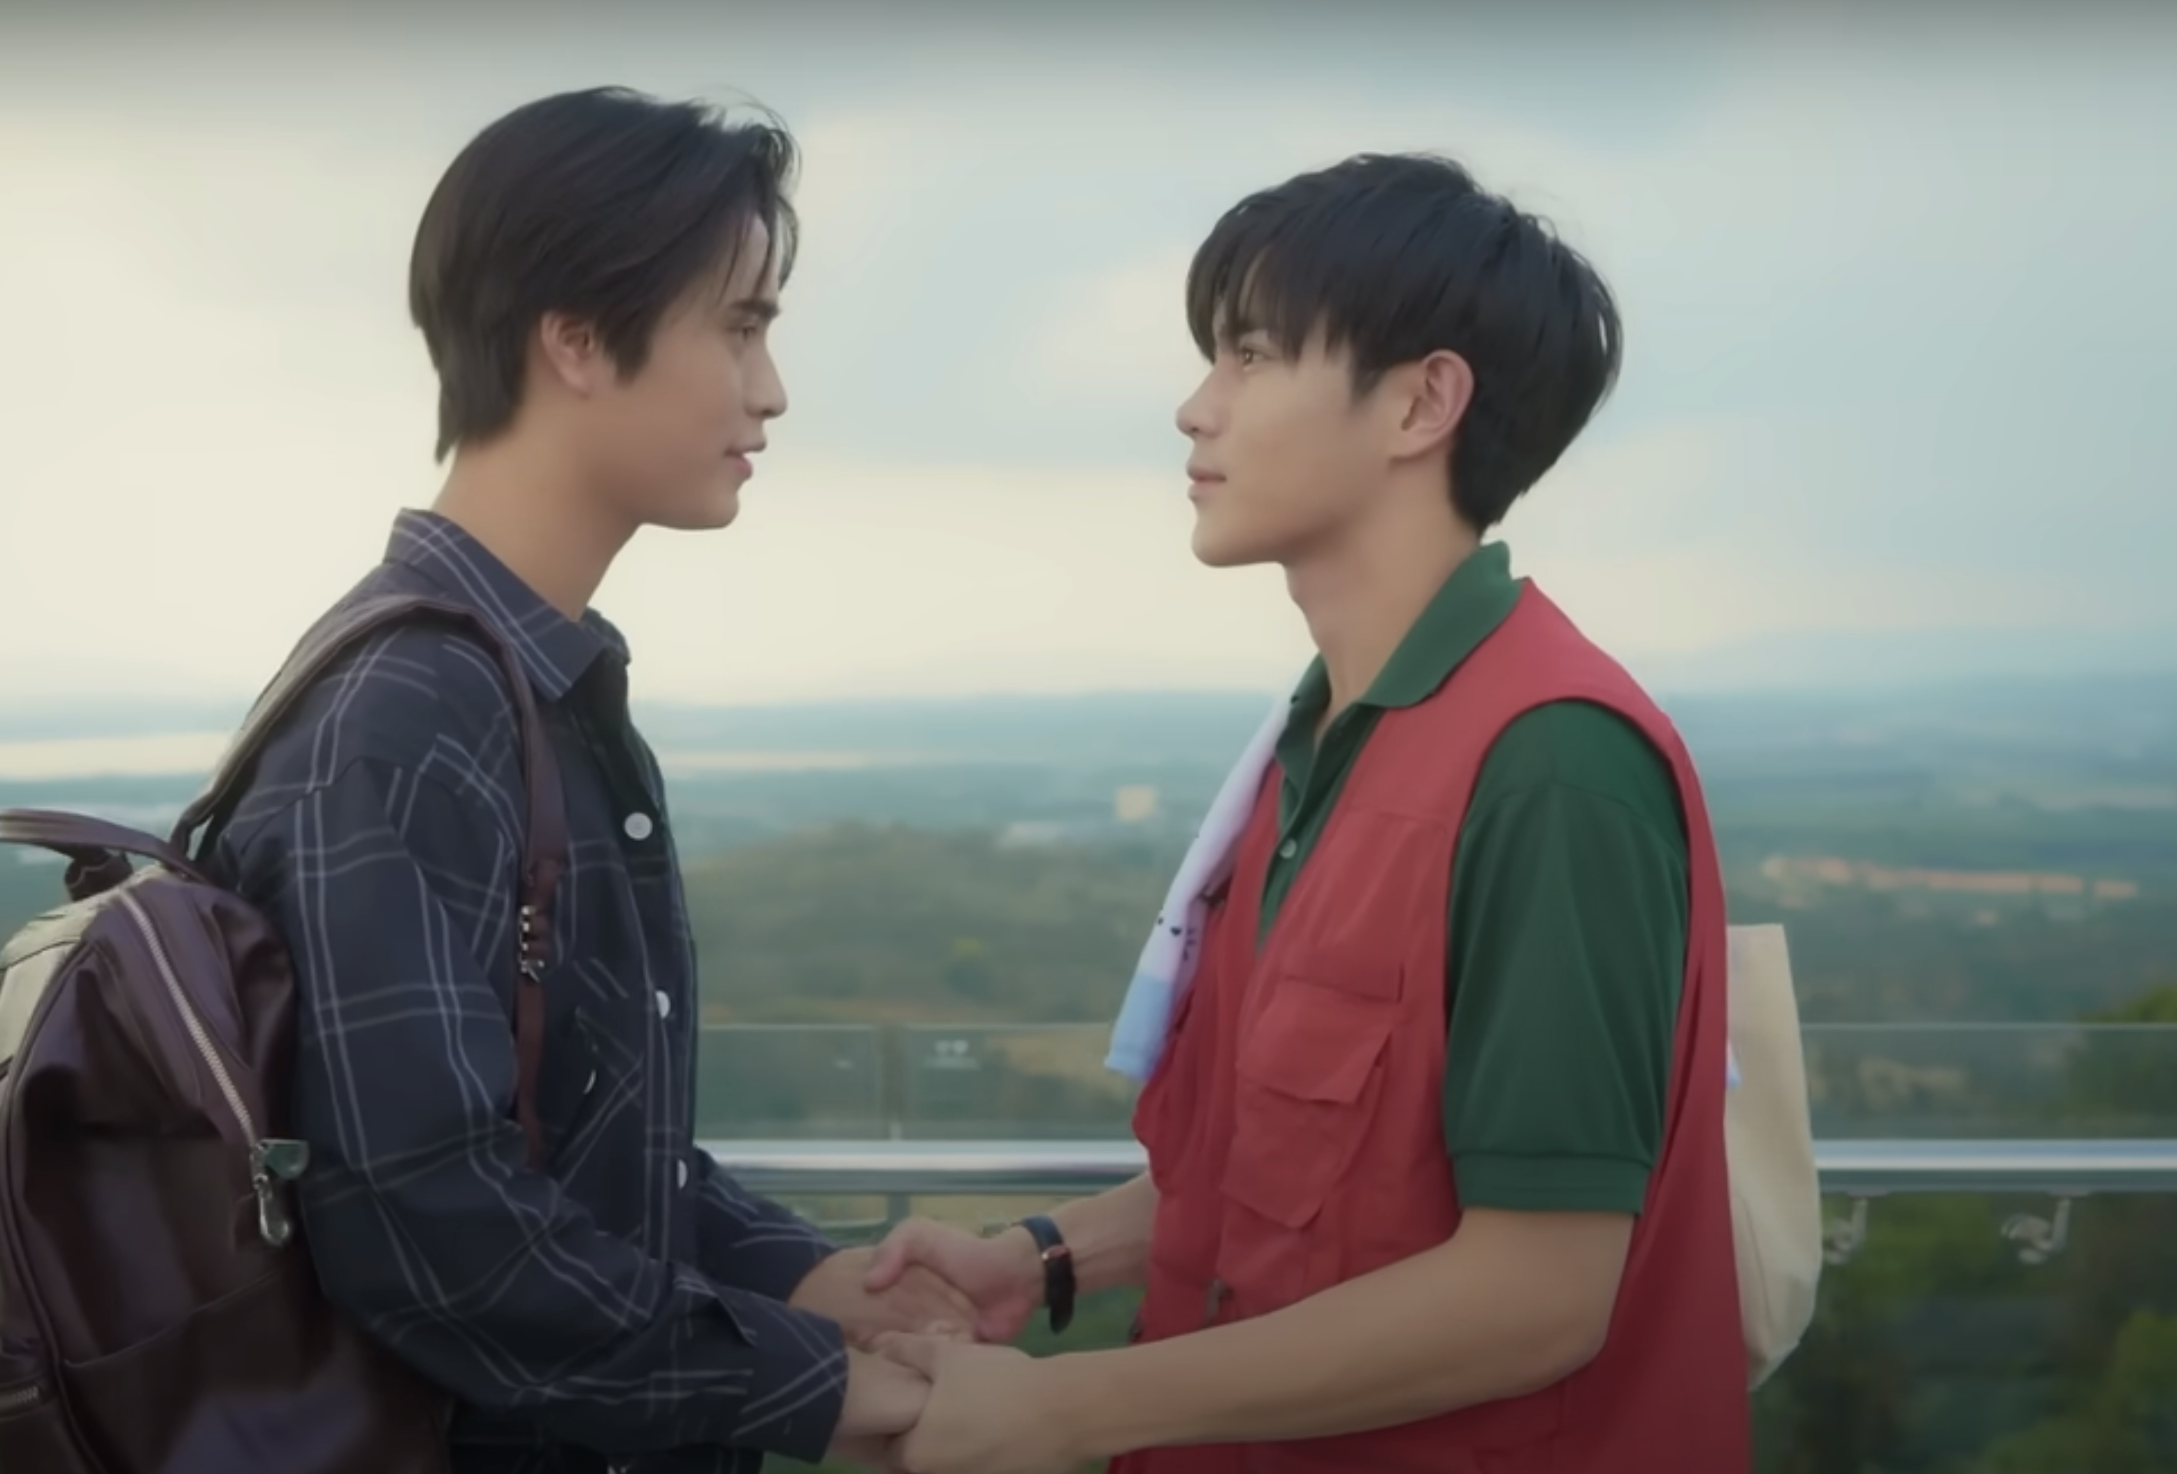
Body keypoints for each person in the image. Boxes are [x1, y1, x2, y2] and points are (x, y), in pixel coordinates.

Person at [859, 152, 1751, 1473]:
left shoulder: (1552, 761)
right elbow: (1299, 1177)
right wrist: (1038, 1260)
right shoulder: (1317, 744)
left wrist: (1068, 1406)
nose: (1193, 408)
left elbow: (1541, 1288)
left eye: (1252, 356)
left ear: (1421, 402)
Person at [206, 88, 971, 1474]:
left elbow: (582, 1136)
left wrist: (804, 1281)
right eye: (741, 327)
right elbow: (430, 1221)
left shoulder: (516, 685)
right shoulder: (410, 714)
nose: (771, 389)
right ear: (572, 334)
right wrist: (835, 1391)